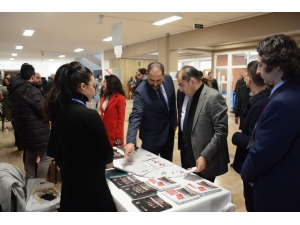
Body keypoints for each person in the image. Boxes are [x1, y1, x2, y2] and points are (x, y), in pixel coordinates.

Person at [44, 62, 116, 212]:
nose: (94, 89)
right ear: (83, 86)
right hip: (92, 184)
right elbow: (107, 154)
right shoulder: (89, 115)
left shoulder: (61, 111)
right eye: (92, 85)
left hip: (70, 180)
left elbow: (57, 149)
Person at [241, 34, 300, 212]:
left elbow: (264, 151)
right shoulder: (292, 90)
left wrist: (248, 173)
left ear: (277, 66)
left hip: (278, 193)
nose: (257, 71)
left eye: (260, 65)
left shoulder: (283, 102)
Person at [176, 65, 229, 183]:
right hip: (190, 158)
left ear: (192, 81)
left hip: (205, 161)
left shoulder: (213, 97)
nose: (180, 89)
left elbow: (221, 131)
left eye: (182, 85)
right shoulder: (191, 96)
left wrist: (205, 156)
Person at [231, 60, 270, 212]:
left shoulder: (261, 103)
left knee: (253, 206)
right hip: (252, 167)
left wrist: (236, 136)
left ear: (249, 79)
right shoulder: (260, 99)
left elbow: (254, 141)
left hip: (254, 168)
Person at [124, 62, 177, 162]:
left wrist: (174, 122)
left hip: (168, 134)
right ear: (147, 74)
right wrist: (131, 141)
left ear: (163, 75)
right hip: (151, 138)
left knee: (168, 165)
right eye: (152, 80)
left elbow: (172, 102)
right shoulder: (141, 91)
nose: (155, 84)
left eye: (158, 80)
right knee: (149, 168)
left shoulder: (169, 80)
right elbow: (136, 116)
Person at [10, 63, 51, 180]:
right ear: (32, 76)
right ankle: (40, 184)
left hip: (23, 130)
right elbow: (43, 110)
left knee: (30, 155)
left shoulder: (16, 90)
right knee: (46, 156)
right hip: (37, 130)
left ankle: (30, 183)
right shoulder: (31, 90)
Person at [100, 74, 126, 146]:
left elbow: (121, 119)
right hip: (104, 132)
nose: (102, 84)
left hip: (114, 134)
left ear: (110, 83)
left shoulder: (120, 98)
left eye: (104, 82)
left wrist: (119, 136)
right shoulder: (104, 97)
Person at [176, 87, 189, 169]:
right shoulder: (180, 93)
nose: (180, 89)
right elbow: (180, 113)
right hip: (183, 138)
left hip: (197, 145)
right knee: (184, 167)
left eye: (182, 85)